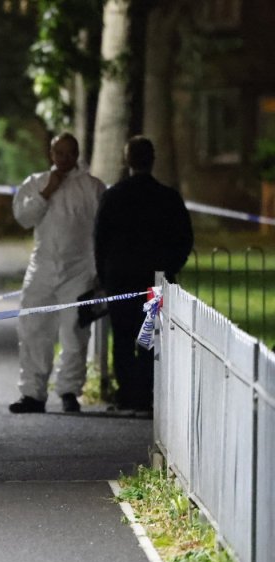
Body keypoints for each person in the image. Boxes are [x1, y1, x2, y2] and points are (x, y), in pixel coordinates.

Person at [94, 135, 193, 412]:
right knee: (148, 337)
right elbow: (184, 239)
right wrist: (169, 268)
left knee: (123, 337)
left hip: (121, 279)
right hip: (153, 280)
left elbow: (100, 240)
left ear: (127, 161)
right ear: (152, 160)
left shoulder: (113, 197)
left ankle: (127, 394)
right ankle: (148, 393)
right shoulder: (168, 198)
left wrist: (105, 275)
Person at [10, 132, 106, 414]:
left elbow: (101, 230)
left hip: (79, 270)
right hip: (42, 266)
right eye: (58, 153)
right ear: (51, 155)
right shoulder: (36, 183)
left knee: (74, 332)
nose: (63, 159)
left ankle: (68, 390)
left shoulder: (92, 188)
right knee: (33, 329)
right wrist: (46, 192)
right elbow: (23, 218)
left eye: (69, 153)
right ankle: (32, 393)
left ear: (77, 155)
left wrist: (98, 269)